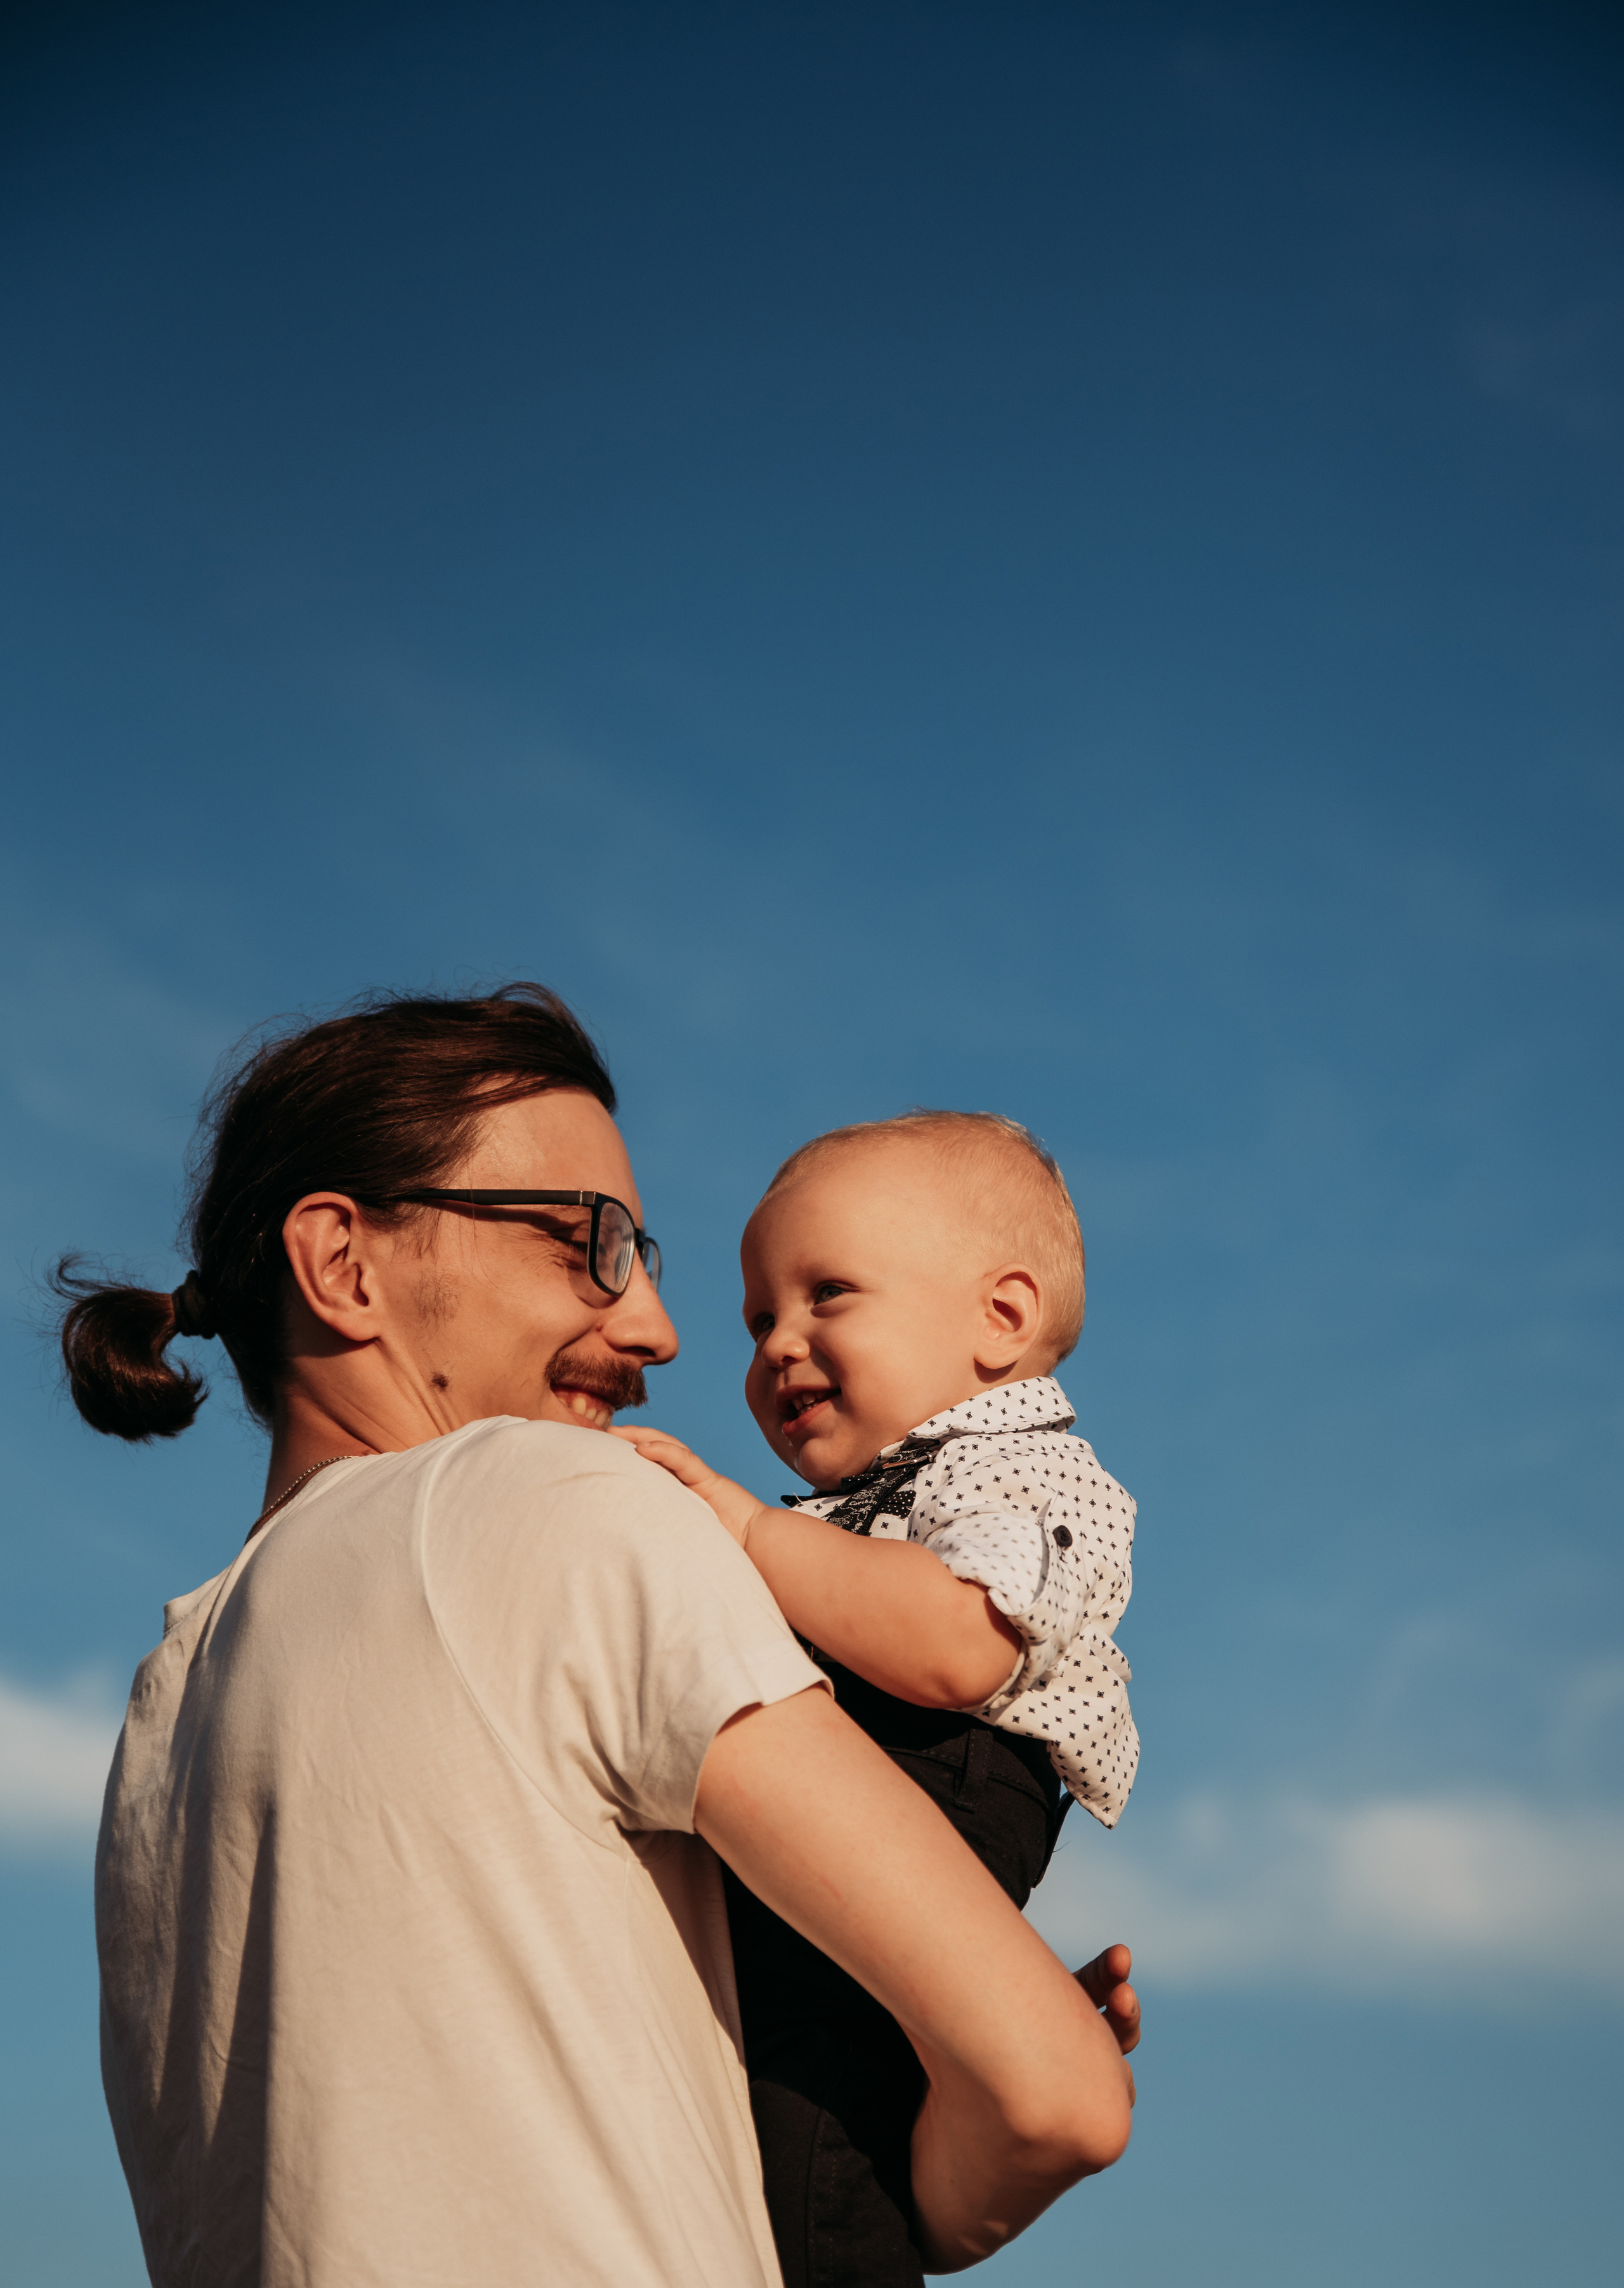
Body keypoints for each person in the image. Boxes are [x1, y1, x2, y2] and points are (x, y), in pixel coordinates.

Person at [55, 987, 1137, 2288]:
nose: (655, 1331)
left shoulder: (160, 1719)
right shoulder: (546, 1498)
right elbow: (1056, 2094)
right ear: (345, 1264)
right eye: (593, 1242)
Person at [616, 1111, 1139, 2288]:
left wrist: (745, 1536)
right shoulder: (842, 1513)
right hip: (869, 1782)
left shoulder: (1025, 1463)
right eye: (761, 1317)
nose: (777, 1344)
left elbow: (956, 1645)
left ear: (999, 1321)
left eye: (828, 1295)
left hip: (934, 1765)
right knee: (774, 2087)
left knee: (810, 2122)